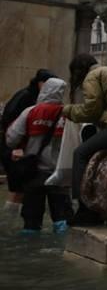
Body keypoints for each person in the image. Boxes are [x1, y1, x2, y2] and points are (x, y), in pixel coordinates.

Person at [63, 54, 107, 225]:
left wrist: (66, 111)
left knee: (80, 153)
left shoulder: (92, 77)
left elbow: (91, 111)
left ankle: (84, 208)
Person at [5, 78, 72, 233]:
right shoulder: (67, 114)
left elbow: (11, 138)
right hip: (59, 175)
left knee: (31, 222)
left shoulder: (30, 112)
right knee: (63, 220)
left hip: (33, 172)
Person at [2, 69, 57, 209]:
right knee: (18, 188)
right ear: (40, 83)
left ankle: (15, 216)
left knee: (22, 188)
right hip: (14, 147)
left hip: (19, 145)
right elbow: (9, 120)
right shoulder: (26, 97)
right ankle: (11, 217)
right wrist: (16, 147)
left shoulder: (33, 96)